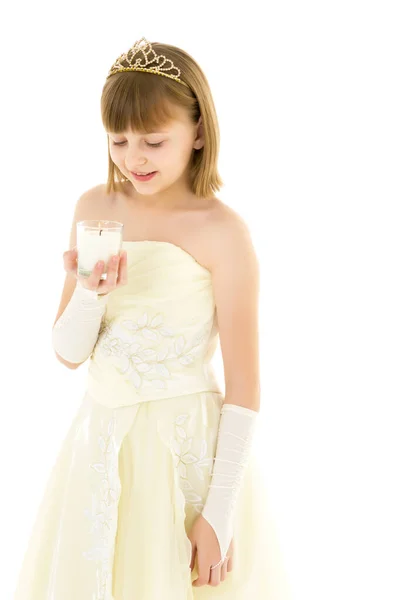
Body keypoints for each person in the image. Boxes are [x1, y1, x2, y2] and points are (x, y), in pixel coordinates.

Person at [13, 37, 292, 599]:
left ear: (198, 135)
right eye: (118, 140)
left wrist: (219, 510)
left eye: (153, 141)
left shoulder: (222, 230)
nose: (132, 158)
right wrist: (90, 294)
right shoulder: (94, 208)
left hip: (180, 450)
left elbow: (244, 385)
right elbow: (68, 353)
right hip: (99, 442)